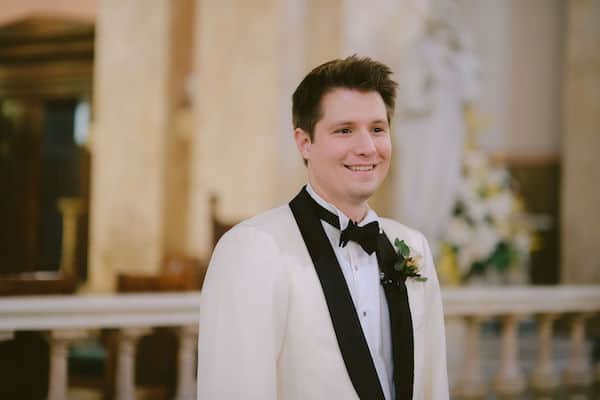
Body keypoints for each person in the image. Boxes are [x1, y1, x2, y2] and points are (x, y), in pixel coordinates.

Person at [197, 55, 448, 400]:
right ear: (305, 142)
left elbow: (432, 385)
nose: (367, 148)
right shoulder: (252, 248)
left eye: (377, 129)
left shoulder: (412, 246)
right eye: (344, 130)